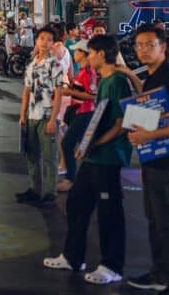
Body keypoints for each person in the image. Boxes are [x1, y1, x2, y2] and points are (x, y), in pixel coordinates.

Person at [44, 33, 131, 286]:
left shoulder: (115, 82)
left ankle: (112, 265)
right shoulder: (105, 81)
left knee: (109, 212)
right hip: (94, 156)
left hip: (109, 157)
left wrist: (94, 143)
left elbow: (121, 122)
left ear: (102, 54)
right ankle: (73, 256)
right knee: (77, 202)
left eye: (91, 53)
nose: (88, 57)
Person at [125, 24, 169, 295]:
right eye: (139, 45)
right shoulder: (153, 76)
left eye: (149, 45)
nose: (143, 49)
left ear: (163, 48)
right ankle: (160, 273)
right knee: (155, 218)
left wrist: (150, 134)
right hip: (153, 159)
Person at [17, 26, 67, 206]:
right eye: (42, 39)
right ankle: (34, 189)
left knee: (49, 157)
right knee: (32, 155)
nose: (45, 43)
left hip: (47, 116)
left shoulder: (55, 65)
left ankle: (49, 193)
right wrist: (22, 114)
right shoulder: (31, 65)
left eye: (49, 40)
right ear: (36, 41)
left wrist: (54, 119)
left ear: (53, 44)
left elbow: (59, 93)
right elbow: (26, 91)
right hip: (32, 115)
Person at [53, 39, 96, 193]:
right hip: (79, 112)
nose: (74, 54)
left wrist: (70, 92)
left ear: (84, 54)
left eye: (77, 51)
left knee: (68, 144)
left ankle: (71, 179)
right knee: (83, 147)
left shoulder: (89, 72)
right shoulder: (82, 71)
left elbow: (92, 96)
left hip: (85, 112)